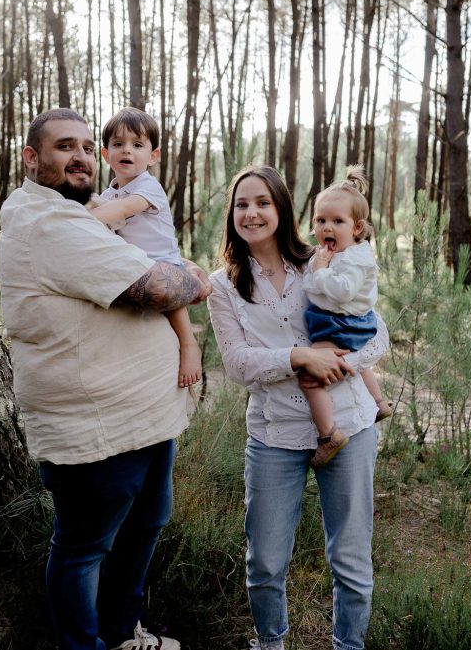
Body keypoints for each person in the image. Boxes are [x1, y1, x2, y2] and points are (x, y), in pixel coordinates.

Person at [0, 108, 211, 650]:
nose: (83, 157)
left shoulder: (78, 212)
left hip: (145, 414)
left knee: (143, 527)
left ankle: (121, 635)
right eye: (66, 146)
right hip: (97, 426)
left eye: (88, 148)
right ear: (30, 158)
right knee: (84, 546)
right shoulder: (48, 221)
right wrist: (196, 278)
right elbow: (160, 288)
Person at [206, 165, 388, 650]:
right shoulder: (223, 286)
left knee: (350, 558)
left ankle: (348, 646)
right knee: (264, 561)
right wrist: (299, 357)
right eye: (242, 204)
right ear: (232, 215)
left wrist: (346, 363)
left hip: (349, 425)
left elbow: (378, 332)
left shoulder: (323, 259)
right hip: (274, 434)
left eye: (263, 202)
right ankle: (271, 643)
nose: (252, 213)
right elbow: (239, 364)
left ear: (282, 209)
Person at [86, 107, 201, 387]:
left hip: (162, 262)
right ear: (105, 154)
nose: (127, 150)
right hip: (134, 265)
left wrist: (79, 220)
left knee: (171, 302)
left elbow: (124, 209)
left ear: (152, 156)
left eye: (137, 145)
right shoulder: (108, 194)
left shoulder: (148, 187)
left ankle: (189, 345)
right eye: (118, 144)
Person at [302, 166, 392, 469]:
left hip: (343, 322)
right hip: (347, 320)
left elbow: (341, 291)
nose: (327, 228)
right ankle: (379, 402)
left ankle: (329, 434)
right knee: (355, 359)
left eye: (337, 221)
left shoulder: (353, 258)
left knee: (312, 377)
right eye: (321, 220)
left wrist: (320, 271)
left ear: (357, 227)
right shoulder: (344, 252)